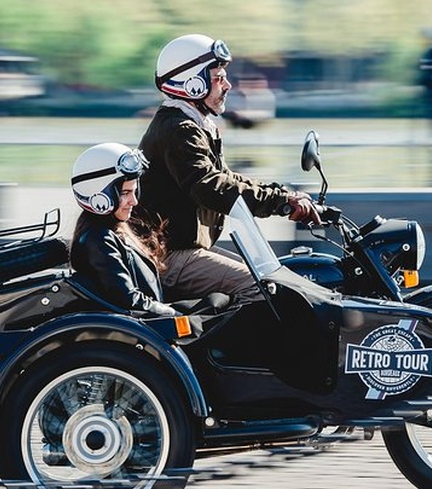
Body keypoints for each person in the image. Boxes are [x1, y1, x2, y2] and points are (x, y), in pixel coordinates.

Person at [136, 33, 320, 305]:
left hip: (181, 250)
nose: (228, 85)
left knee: (278, 277)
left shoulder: (192, 124)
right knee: (261, 288)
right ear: (192, 83)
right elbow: (210, 186)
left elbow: (225, 177)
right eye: (218, 78)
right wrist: (278, 203)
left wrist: (282, 194)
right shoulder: (179, 129)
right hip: (168, 256)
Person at [69, 142, 178, 317]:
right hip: (148, 325)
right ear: (100, 196)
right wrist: (177, 313)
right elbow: (129, 299)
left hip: (153, 316)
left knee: (220, 302)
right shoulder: (99, 240)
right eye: (125, 193)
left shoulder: (114, 231)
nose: (134, 201)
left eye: (134, 192)